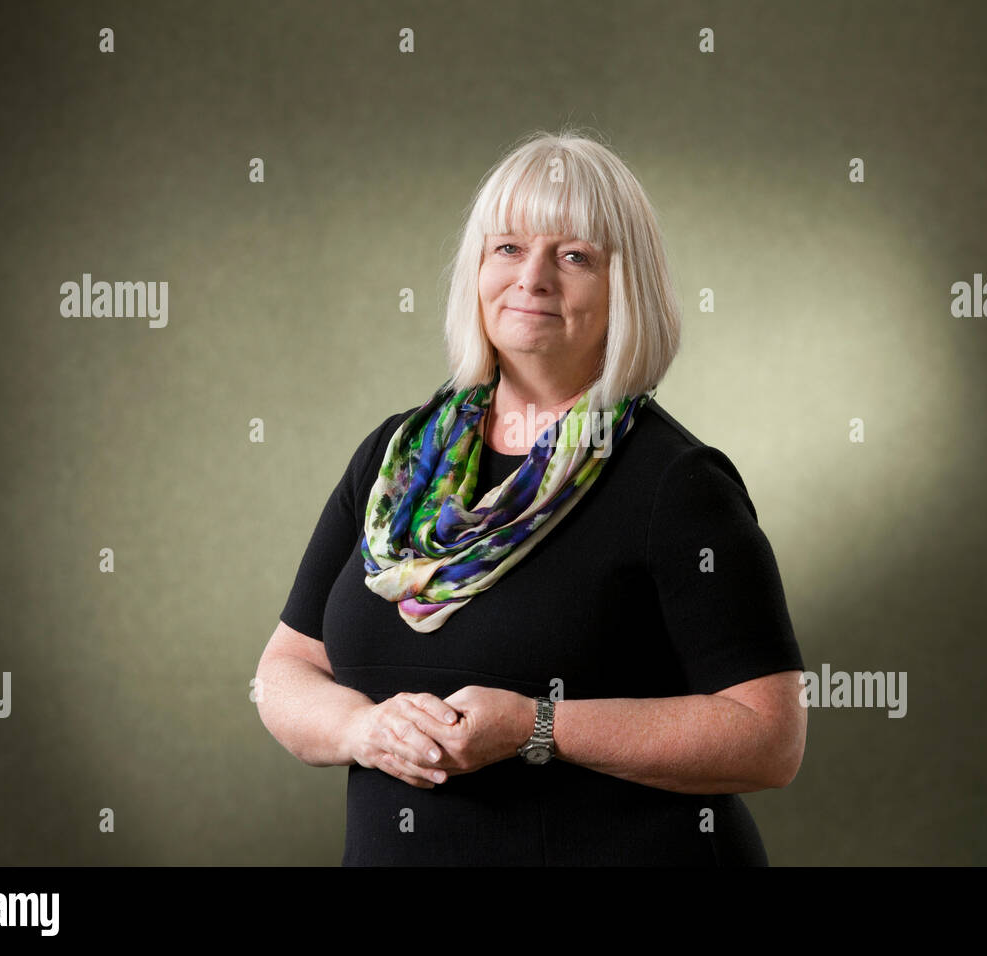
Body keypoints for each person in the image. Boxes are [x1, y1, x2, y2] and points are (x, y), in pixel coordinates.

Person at [256, 129, 807, 866]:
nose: (533, 278)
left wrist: (534, 727)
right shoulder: (395, 464)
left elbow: (769, 739)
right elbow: (283, 671)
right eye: (508, 248)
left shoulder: (676, 483)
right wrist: (364, 730)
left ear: (625, 289)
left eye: (574, 256)